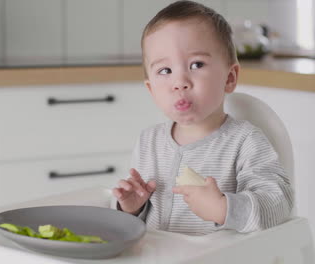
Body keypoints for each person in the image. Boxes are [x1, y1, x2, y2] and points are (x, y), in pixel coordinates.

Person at [112, 0, 293, 235]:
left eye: (196, 64)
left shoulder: (245, 142)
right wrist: (132, 209)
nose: (180, 83)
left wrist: (224, 208)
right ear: (151, 89)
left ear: (229, 78)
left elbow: (278, 203)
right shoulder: (149, 141)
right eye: (164, 71)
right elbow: (146, 220)